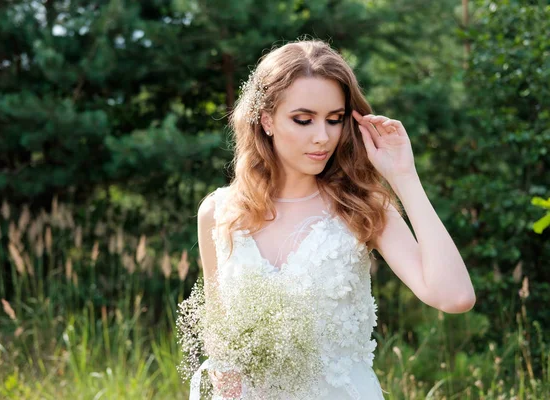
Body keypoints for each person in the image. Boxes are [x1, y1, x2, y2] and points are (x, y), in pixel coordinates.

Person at [194, 38, 476, 399]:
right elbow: (221, 338)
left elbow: (454, 297)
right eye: (303, 119)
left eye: (334, 119)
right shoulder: (218, 214)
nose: (322, 137)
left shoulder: (361, 206)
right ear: (266, 120)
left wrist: (404, 176)